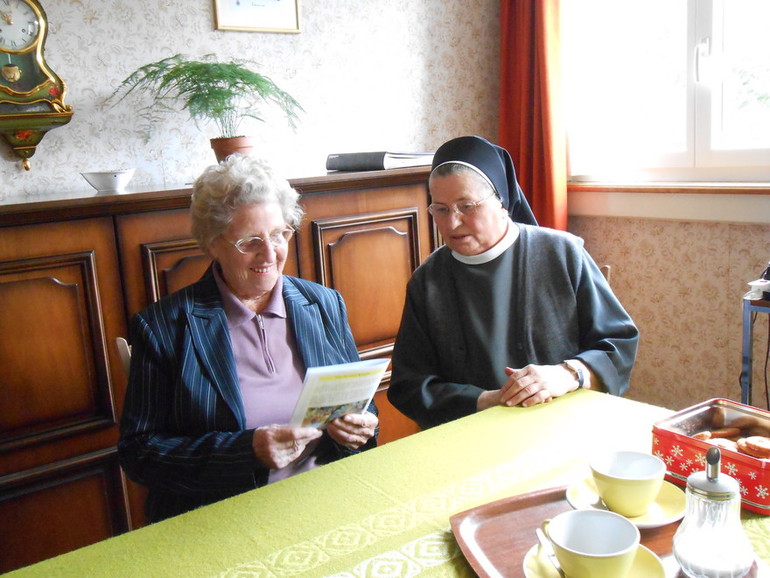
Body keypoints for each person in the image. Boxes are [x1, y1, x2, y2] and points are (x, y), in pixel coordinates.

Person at [118, 154, 378, 522]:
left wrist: (361, 425)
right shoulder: (165, 327)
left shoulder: (322, 303)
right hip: (225, 517)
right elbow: (139, 453)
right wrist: (246, 451)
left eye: (278, 234)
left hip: (331, 499)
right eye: (249, 241)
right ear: (212, 243)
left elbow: (360, 406)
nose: (269, 253)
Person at [388, 135, 638, 429]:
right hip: (468, 435)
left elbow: (618, 345)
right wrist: (485, 400)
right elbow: (409, 385)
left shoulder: (562, 254)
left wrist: (568, 374)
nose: (452, 223)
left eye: (466, 206)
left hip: (562, 425)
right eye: (440, 209)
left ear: (502, 202)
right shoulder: (428, 281)